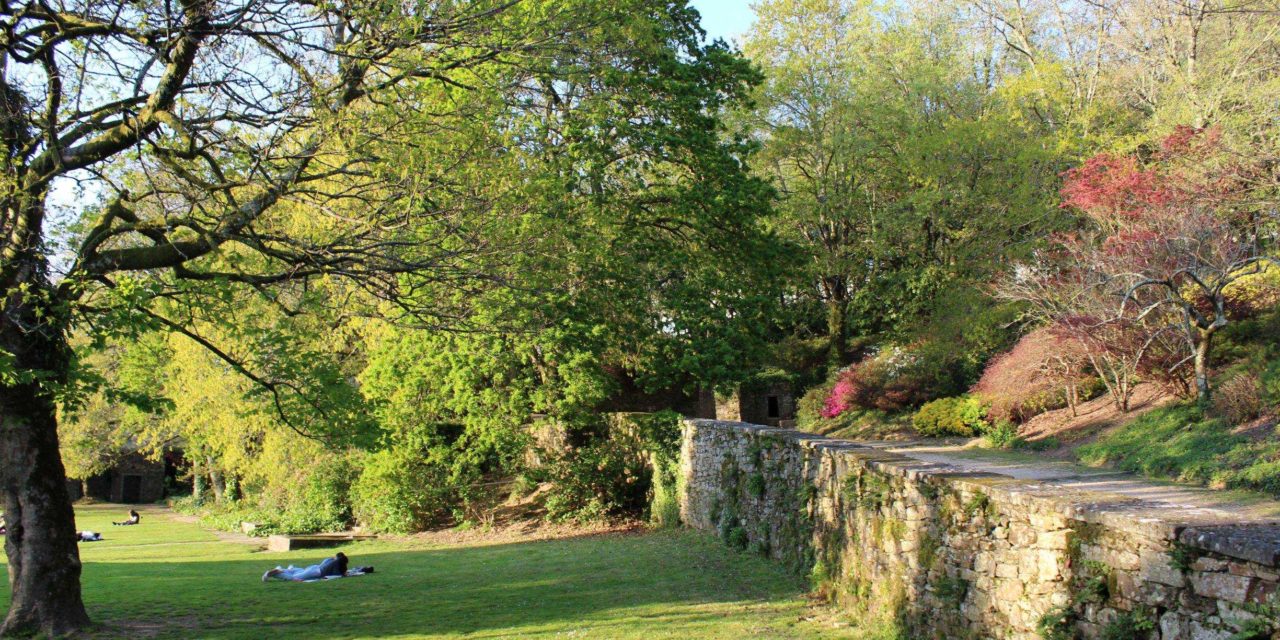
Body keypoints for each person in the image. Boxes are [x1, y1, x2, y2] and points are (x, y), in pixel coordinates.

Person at [262, 552, 350, 582]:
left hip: (314, 567)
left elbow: (325, 561)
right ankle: (272, 573)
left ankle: (283, 569)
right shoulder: (336, 565)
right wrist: (344, 574)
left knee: (297, 572)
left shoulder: (330, 560)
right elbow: (336, 575)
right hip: (315, 572)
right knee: (294, 578)